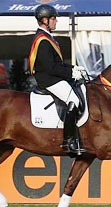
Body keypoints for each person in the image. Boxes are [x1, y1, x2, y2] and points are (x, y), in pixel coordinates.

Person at [28, 4, 86, 155]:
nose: (56, 22)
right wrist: (70, 74)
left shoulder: (47, 37)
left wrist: (73, 68)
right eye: (54, 19)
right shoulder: (43, 40)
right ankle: (69, 141)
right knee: (75, 100)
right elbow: (50, 68)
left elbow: (57, 64)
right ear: (45, 20)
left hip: (53, 77)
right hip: (48, 80)